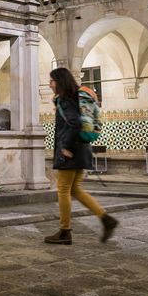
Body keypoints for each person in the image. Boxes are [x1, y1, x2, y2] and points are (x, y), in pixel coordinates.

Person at [44, 67, 118, 245]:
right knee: (75, 189)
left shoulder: (66, 100)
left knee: (63, 189)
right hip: (82, 148)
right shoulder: (76, 97)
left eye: (52, 80)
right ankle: (105, 218)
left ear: (60, 81)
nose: (50, 84)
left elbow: (75, 123)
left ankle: (65, 231)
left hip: (70, 151)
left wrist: (65, 147)